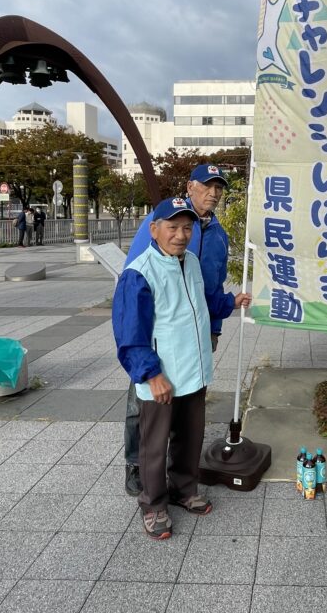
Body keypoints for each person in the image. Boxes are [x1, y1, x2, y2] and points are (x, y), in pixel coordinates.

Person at [112, 197, 250, 539]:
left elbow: (201, 300)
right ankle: (154, 502)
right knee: (155, 444)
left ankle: (184, 489)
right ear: (154, 230)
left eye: (187, 228)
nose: (181, 235)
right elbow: (130, 333)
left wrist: (230, 303)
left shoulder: (189, 261)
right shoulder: (139, 273)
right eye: (172, 227)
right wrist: (151, 374)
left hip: (194, 371)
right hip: (163, 377)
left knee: (190, 438)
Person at [121, 163, 231, 495]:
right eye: (206, 186)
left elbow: (212, 287)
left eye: (219, 188)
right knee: (143, 406)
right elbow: (137, 278)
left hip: (196, 334)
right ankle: (137, 465)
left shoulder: (218, 234)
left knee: (187, 408)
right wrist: (143, 353)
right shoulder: (162, 222)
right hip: (158, 336)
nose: (213, 193)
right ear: (190, 186)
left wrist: (214, 328)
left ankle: (179, 477)